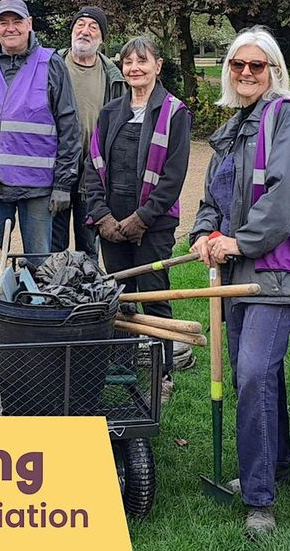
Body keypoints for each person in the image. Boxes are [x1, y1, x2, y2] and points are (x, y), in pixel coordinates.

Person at [190, 26, 290, 538]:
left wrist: (238, 242)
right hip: (237, 272)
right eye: (237, 65)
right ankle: (277, 463)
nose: (246, 73)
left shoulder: (285, 117)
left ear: (274, 71)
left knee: (250, 373)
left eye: (257, 65)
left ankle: (259, 498)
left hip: (276, 269)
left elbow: (288, 193)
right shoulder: (234, 128)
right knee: (260, 374)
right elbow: (211, 199)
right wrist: (205, 233)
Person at [85, 36, 188, 402]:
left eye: (143, 61)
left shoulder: (175, 113)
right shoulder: (111, 112)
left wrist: (141, 219)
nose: (135, 68)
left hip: (153, 227)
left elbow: (174, 177)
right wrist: (103, 217)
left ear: (158, 66)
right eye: (128, 62)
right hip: (112, 226)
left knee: (153, 296)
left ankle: (163, 376)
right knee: (121, 300)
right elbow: (93, 169)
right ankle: (123, 369)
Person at [0, 0, 82, 261]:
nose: (10, 28)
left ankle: (37, 303)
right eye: (4, 22)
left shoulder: (51, 64)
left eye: (17, 21)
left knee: (40, 264)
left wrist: (62, 184)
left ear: (29, 24)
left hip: (38, 189)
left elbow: (70, 128)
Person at [53, 6, 127, 259]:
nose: (85, 31)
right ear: (72, 31)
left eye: (93, 27)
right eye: (79, 25)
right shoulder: (52, 67)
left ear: (101, 38)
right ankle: (55, 296)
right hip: (56, 170)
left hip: (93, 173)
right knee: (54, 247)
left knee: (88, 247)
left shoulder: (113, 76)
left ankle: (87, 297)